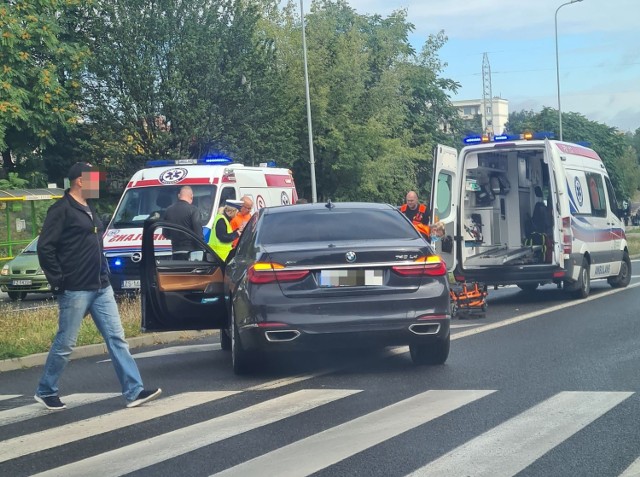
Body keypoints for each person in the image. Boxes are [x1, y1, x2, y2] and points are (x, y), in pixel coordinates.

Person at [34, 162, 161, 411]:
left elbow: (96, 245)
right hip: (75, 287)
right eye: (94, 178)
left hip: (101, 286)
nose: (98, 183)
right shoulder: (61, 210)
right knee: (66, 341)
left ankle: (133, 391)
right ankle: (46, 390)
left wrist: (105, 272)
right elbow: (45, 247)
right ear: (80, 181)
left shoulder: (89, 208)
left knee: (117, 338)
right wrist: (58, 281)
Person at [163, 185, 203, 260]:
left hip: (175, 251)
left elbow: (165, 234)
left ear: (179, 196)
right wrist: (202, 250)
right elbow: (199, 234)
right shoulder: (194, 210)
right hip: (190, 252)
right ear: (191, 196)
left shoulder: (168, 210)